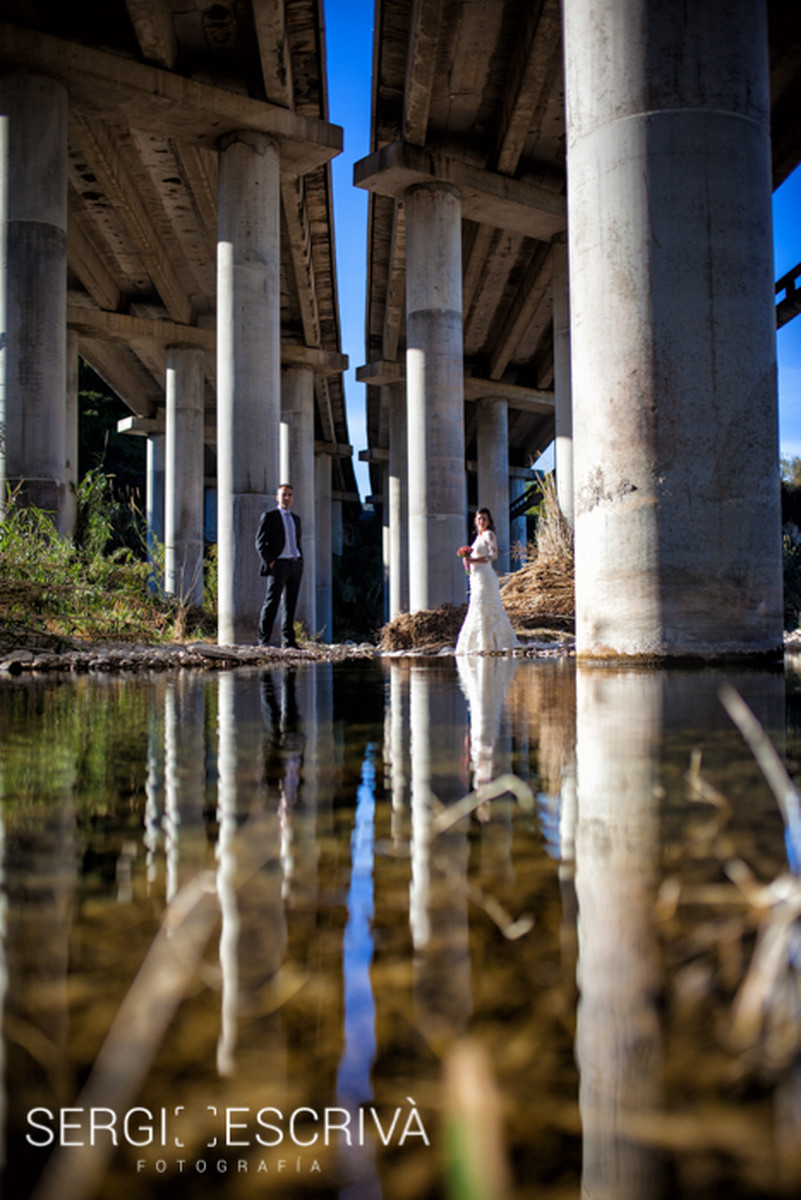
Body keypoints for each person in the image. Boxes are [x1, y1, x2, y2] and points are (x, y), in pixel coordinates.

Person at [455, 507, 519, 655]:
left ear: (488, 521)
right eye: (479, 519)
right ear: (475, 521)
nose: (481, 521)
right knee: (476, 605)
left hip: (485, 576)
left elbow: (493, 555)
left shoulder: (489, 535)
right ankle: (478, 642)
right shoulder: (478, 536)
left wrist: (474, 560)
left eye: (484, 519)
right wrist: (467, 562)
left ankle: (494, 642)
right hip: (476, 576)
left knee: (486, 603)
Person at [256, 483, 303, 648]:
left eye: (289, 495)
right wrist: (271, 562)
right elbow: (260, 543)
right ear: (277, 497)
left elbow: (297, 542)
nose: (287, 498)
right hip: (279, 565)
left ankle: (289, 641)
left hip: (294, 564)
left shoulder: (296, 519)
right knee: (272, 603)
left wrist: (300, 560)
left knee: (290, 604)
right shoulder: (270, 516)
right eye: (284, 494)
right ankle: (264, 641)